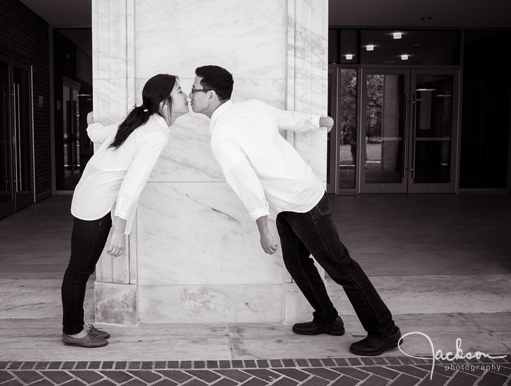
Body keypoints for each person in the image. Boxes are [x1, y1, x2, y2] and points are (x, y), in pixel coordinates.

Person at [189, 65, 401, 356]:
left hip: (303, 203)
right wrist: (316, 120)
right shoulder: (252, 108)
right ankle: (327, 318)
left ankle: (384, 330)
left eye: (194, 89)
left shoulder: (223, 134)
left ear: (211, 95)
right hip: (289, 203)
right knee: (297, 264)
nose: (190, 95)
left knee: (341, 267)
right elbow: (286, 119)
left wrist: (262, 229)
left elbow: (246, 183)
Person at [61, 74, 189, 347]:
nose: (186, 94)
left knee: (81, 268)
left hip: (92, 197)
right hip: (96, 204)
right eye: (180, 90)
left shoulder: (142, 120)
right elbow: (133, 184)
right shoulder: (154, 132)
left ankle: (78, 325)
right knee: (79, 269)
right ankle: (73, 331)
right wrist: (118, 230)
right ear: (165, 100)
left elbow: (99, 134)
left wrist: (90, 121)